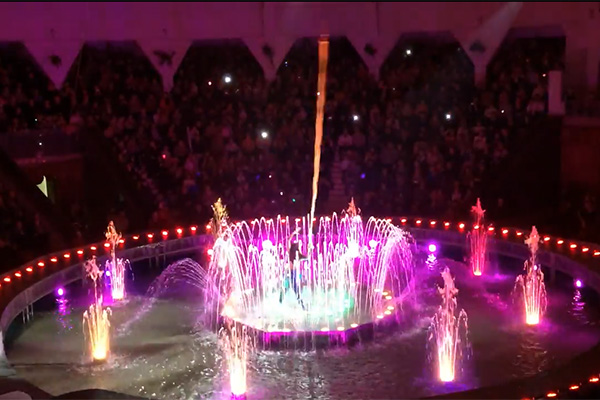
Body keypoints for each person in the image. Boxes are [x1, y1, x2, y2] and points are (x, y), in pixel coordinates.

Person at [280, 229, 307, 309]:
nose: (301, 246)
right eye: (300, 245)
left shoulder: (299, 255)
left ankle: (301, 306)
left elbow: (308, 257)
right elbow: (288, 240)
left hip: (294, 274)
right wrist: (294, 232)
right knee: (285, 288)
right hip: (289, 274)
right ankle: (280, 303)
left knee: (293, 289)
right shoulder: (290, 252)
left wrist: (310, 248)